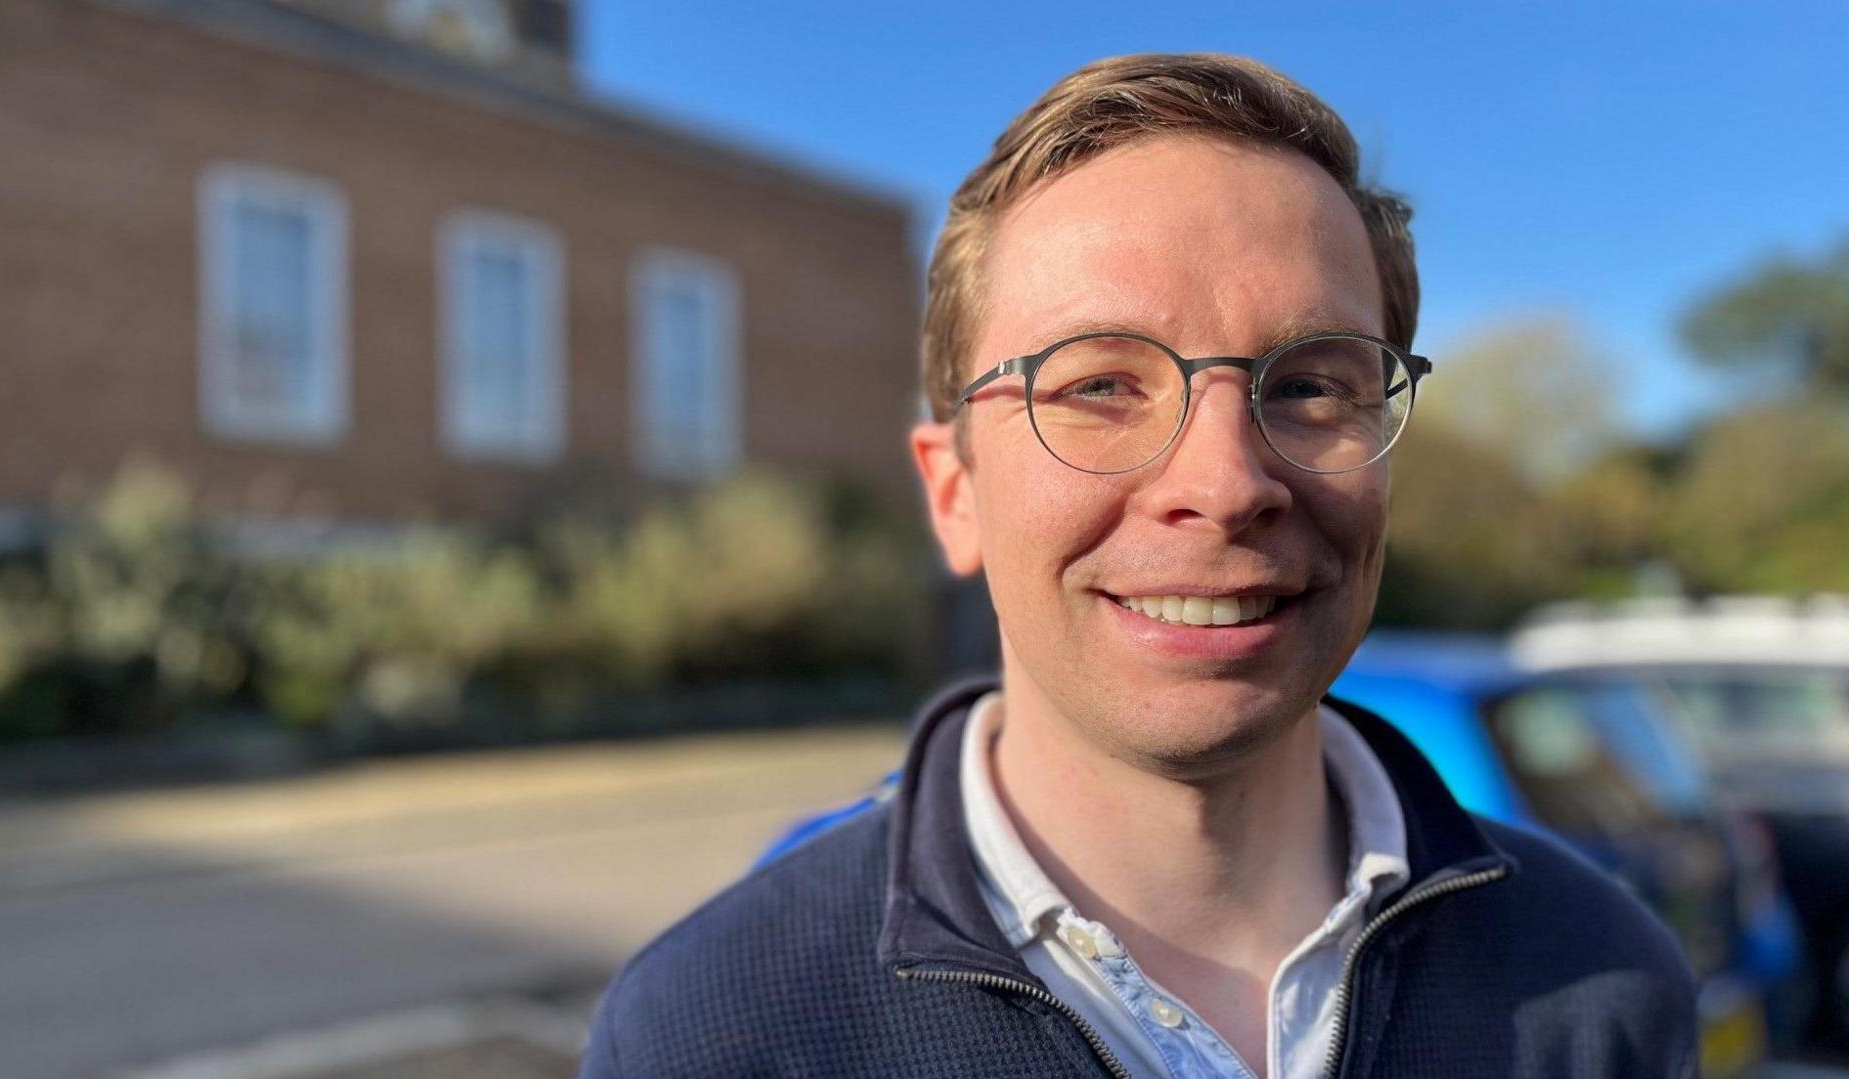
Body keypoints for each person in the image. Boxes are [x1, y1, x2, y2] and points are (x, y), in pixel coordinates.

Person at [581, 53, 1698, 1078]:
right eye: (1099, 386)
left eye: (1312, 384)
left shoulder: (1604, 982)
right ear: (953, 488)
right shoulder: (712, 1030)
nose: (1224, 480)